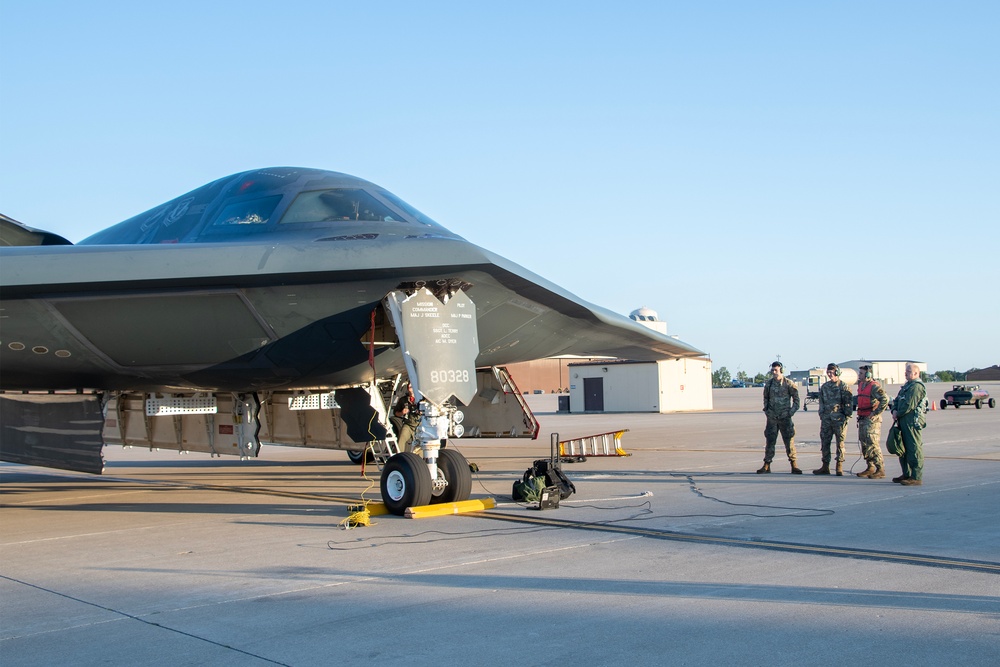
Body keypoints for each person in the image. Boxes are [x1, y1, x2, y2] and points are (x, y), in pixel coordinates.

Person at [757, 361, 802, 474]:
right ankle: (767, 464)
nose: (774, 372)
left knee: (789, 441)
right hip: (772, 418)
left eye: (776, 370)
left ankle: (794, 464)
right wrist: (767, 411)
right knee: (770, 441)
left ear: (781, 370)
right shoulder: (769, 384)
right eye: (772, 370)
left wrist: (790, 413)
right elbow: (765, 398)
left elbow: (797, 401)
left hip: (785, 418)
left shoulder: (789, 384)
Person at [814, 363, 854, 476]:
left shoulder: (843, 386)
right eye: (828, 372)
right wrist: (821, 413)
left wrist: (846, 416)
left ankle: (839, 466)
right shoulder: (825, 387)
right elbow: (821, 401)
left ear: (837, 372)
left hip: (839, 419)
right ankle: (825, 466)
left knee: (840, 443)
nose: (830, 374)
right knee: (825, 442)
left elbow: (849, 403)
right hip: (826, 419)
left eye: (832, 372)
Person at [891, 363, 927, 486]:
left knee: (914, 448)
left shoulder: (916, 387)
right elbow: (896, 400)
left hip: (912, 422)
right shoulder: (906, 386)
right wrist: (894, 410)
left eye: (908, 371)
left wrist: (898, 413)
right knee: (902, 448)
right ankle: (906, 473)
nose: (905, 373)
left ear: (916, 373)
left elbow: (909, 404)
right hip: (902, 420)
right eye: (906, 371)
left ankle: (916, 476)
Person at [855, 364, 889, 478]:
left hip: (871, 420)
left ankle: (880, 469)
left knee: (873, 443)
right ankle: (870, 467)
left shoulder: (874, 386)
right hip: (862, 418)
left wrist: (875, 413)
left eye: (861, 373)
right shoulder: (861, 385)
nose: (859, 375)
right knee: (864, 443)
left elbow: (885, 399)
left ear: (868, 374)